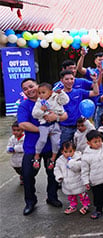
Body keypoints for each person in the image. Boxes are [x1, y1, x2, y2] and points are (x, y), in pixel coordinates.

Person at [18, 78, 67, 215]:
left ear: (37, 86)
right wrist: (44, 130)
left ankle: (52, 197)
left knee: (52, 174)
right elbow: (22, 124)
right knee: (27, 175)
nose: (29, 90)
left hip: (52, 147)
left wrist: (55, 118)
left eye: (31, 86)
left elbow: (64, 114)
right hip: (32, 148)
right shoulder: (24, 105)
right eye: (25, 89)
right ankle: (30, 202)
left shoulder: (53, 98)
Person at [81, 129, 103, 219]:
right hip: (95, 181)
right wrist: (86, 182)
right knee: (97, 197)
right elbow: (85, 170)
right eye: (95, 142)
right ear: (89, 143)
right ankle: (98, 209)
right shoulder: (86, 155)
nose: (98, 143)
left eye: (99, 141)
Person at [32, 83, 69, 168]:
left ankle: (53, 159)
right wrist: (42, 110)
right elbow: (34, 114)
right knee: (42, 140)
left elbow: (65, 101)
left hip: (55, 124)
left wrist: (61, 92)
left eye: (43, 92)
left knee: (56, 142)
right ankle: (36, 156)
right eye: (39, 93)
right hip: (44, 124)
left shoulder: (56, 97)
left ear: (51, 92)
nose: (41, 95)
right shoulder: (39, 102)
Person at [59, 69, 99, 146]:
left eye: (71, 79)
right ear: (62, 80)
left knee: (80, 147)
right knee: (64, 148)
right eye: (66, 79)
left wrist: (95, 81)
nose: (69, 81)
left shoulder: (79, 91)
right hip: (65, 127)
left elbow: (95, 93)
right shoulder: (58, 94)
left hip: (80, 127)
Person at [54, 141, 90, 215]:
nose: (68, 154)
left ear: (74, 150)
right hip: (67, 183)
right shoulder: (59, 160)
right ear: (62, 152)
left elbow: (80, 167)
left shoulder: (79, 157)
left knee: (82, 195)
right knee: (71, 196)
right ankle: (73, 206)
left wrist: (72, 163)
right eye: (65, 152)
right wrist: (59, 176)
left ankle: (86, 205)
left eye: (70, 151)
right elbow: (57, 169)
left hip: (78, 181)